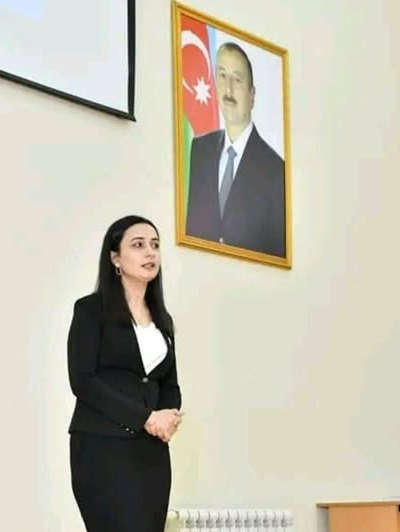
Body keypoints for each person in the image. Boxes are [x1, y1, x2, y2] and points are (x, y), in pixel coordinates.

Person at [67, 215, 183, 532]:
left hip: (152, 453)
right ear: (116, 258)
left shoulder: (163, 320)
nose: (150, 252)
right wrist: (145, 417)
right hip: (102, 447)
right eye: (138, 245)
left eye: (155, 245)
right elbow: (83, 381)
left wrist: (169, 416)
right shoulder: (90, 310)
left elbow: (169, 384)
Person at [185, 42, 286, 257]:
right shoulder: (200, 150)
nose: (228, 90)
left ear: (252, 95)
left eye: (237, 80)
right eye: (222, 76)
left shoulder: (276, 171)